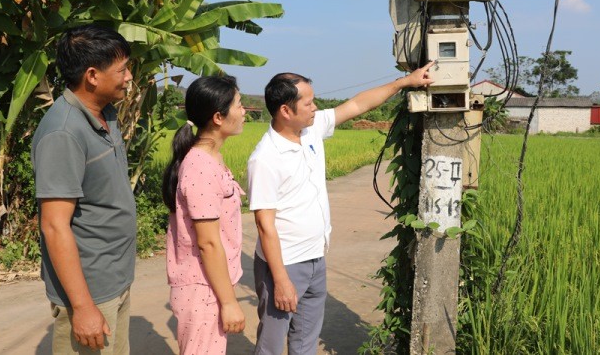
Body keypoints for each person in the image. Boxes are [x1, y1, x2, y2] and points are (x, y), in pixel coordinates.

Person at [247, 62, 434, 354]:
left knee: (305, 341)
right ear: (286, 110)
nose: (315, 107)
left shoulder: (309, 130)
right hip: (284, 265)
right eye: (308, 103)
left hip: (315, 257)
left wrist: (403, 82)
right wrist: (281, 280)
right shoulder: (265, 158)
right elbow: (264, 225)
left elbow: (358, 104)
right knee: (271, 344)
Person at [32, 24, 135, 354]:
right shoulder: (63, 133)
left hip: (115, 280)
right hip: (91, 292)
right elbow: (54, 225)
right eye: (122, 69)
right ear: (92, 75)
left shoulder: (106, 114)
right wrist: (84, 308)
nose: (129, 77)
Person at [162, 75, 247, 354]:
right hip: (202, 287)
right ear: (219, 117)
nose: (244, 111)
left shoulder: (210, 158)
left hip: (210, 283)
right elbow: (208, 244)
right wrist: (229, 302)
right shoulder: (200, 167)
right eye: (239, 104)